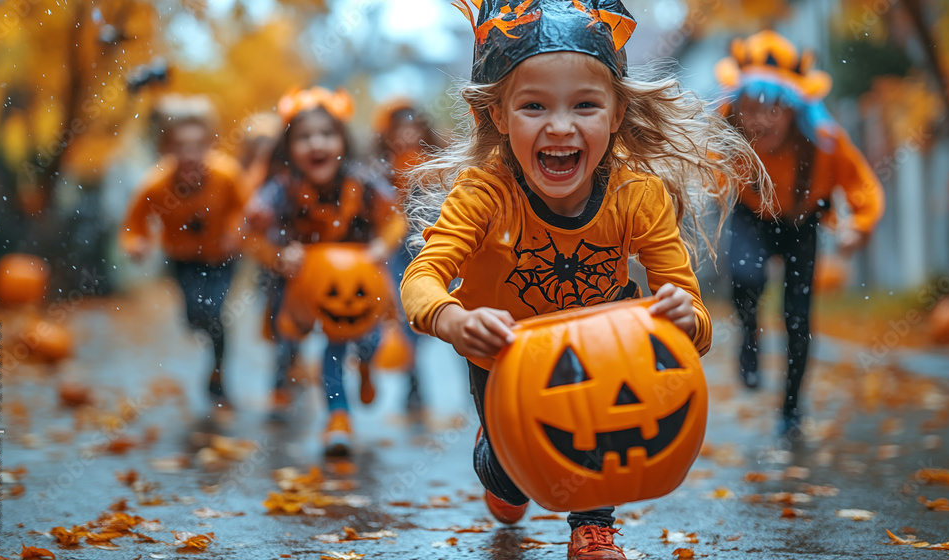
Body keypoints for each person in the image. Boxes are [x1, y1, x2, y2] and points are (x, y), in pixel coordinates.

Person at [401, 2, 769, 558]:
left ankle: (593, 525)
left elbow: (692, 312)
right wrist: (454, 319)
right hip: (505, 356)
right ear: (499, 115)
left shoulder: (635, 197)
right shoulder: (485, 195)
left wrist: (680, 315)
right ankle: (496, 461)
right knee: (511, 477)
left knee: (603, 428)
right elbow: (422, 276)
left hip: (601, 354)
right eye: (533, 106)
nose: (560, 125)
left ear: (616, 113)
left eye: (585, 105)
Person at [714, 30, 885, 439]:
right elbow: (695, 167)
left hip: (800, 224)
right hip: (750, 216)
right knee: (745, 278)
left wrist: (857, 226)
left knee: (797, 319)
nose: (762, 119)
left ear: (796, 110)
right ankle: (748, 338)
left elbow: (864, 187)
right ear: (737, 105)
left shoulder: (824, 141)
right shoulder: (723, 131)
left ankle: (791, 409)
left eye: (776, 109)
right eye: (752, 106)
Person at [243, 86, 406, 456]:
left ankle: (366, 367)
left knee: (369, 341)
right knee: (328, 347)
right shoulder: (280, 189)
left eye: (326, 134)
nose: (316, 144)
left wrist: (382, 245)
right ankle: (338, 418)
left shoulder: (364, 183)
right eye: (304, 137)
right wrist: (278, 255)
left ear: (342, 141)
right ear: (289, 147)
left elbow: (395, 221)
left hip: (361, 284)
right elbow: (251, 235)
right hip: (306, 286)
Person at [120, 94, 246, 414]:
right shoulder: (156, 183)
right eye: (181, 146)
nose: (190, 154)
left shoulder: (226, 175)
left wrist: (236, 231)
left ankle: (218, 374)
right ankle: (206, 335)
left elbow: (243, 209)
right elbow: (134, 223)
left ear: (210, 145)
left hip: (222, 258)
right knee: (194, 317)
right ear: (168, 149)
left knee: (214, 313)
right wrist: (136, 243)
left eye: (198, 146)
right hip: (183, 260)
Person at [371, 98, 447, 415]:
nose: (405, 137)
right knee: (406, 315)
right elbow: (384, 214)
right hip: (398, 251)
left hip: (433, 244)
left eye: (411, 129)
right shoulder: (381, 170)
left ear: (421, 129)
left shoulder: (437, 163)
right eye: (398, 131)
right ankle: (413, 383)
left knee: (446, 306)